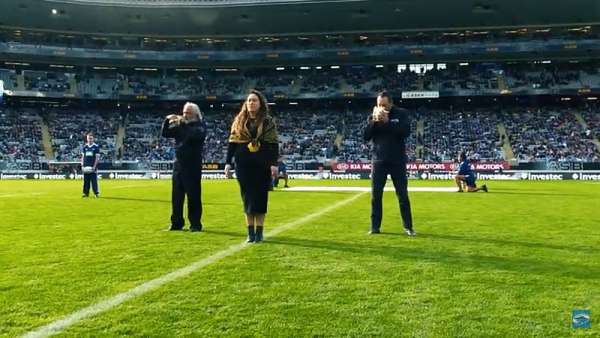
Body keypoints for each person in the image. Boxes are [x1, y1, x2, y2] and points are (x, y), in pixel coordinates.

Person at [225, 90, 279, 243]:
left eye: (254, 100)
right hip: (243, 164)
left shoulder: (268, 121)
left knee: (261, 196)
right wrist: (228, 163)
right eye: (249, 100)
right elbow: (232, 144)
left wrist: (274, 164)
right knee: (247, 197)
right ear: (245, 104)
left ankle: (259, 232)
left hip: (262, 163)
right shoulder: (239, 121)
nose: (251, 103)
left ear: (260, 103)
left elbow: (273, 144)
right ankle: (250, 232)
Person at [363, 91, 415, 236]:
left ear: (391, 104)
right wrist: (374, 121)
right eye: (379, 105)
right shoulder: (373, 116)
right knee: (375, 196)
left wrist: (387, 122)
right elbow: (366, 136)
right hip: (378, 161)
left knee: (402, 195)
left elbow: (406, 132)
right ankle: (374, 227)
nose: (381, 107)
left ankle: (408, 227)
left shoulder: (401, 113)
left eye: (384, 105)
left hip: (397, 161)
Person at [161, 102, 207, 232]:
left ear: (195, 114)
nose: (185, 115)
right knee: (176, 196)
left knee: (193, 196)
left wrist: (182, 123)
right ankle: (176, 223)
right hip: (178, 165)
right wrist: (167, 120)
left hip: (192, 165)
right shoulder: (181, 126)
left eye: (188, 113)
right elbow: (165, 134)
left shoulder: (200, 126)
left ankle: (195, 224)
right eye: (184, 112)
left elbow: (193, 135)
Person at [81, 133, 100, 198]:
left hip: (92, 167)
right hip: (86, 167)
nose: (90, 139)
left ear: (93, 139)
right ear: (87, 139)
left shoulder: (96, 147)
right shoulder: (85, 147)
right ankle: (86, 193)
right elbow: (83, 157)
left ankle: (96, 193)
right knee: (86, 181)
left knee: (94, 181)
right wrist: (82, 165)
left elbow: (97, 158)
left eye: (91, 138)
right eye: (88, 138)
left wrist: (94, 166)